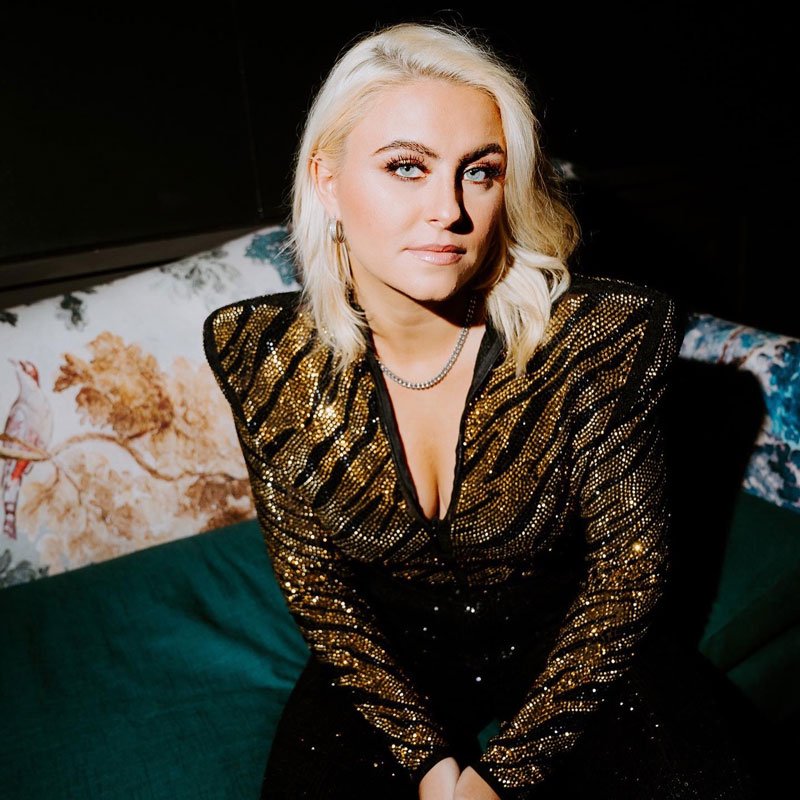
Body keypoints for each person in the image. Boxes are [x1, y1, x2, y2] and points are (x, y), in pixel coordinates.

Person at [203, 20, 759, 800]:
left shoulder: (601, 337)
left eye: (480, 172)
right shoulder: (259, 352)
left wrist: (502, 776)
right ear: (326, 179)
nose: (449, 211)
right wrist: (430, 763)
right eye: (406, 167)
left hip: (577, 651)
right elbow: (317, 583)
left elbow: (627, 576)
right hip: (391, 666)